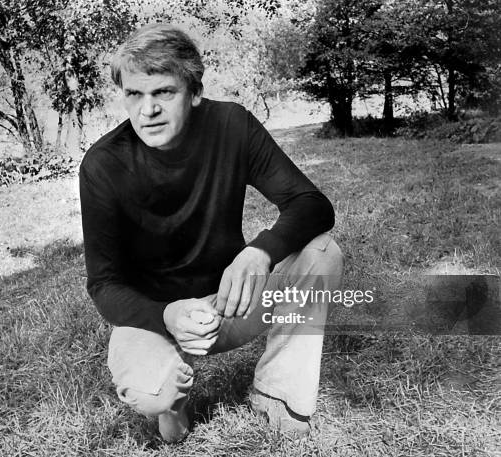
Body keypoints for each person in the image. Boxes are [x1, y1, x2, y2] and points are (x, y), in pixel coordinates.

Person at [79, 23, 344, 443]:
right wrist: (167, 315)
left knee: (321, 252)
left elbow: (312, 205)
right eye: (134, 94)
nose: (147, 110)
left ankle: (277, 393)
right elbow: (104, 284)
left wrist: (260, 252)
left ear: (195, 92)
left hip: (229, 301)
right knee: (154, 396)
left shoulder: (231, 125)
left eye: (163, 92)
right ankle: (173, 404)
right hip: (154, 318)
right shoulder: (103, 166)